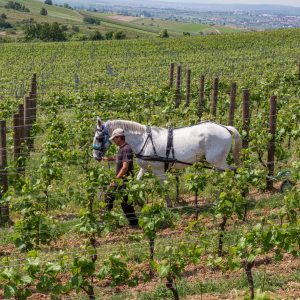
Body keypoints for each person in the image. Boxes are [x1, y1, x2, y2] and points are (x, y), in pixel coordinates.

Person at [102, 128, 138, 227]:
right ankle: (133, 223)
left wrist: (115, 180)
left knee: (116, 200)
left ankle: (133, 223)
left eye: (114, 139)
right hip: (121, 180)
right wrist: (108, 158)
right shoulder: (122, 149)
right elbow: (118, 157)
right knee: (115, 200)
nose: (113, 141)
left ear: (119, 138)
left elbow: (125, 167)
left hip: (124, 181)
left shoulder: (126, 149)